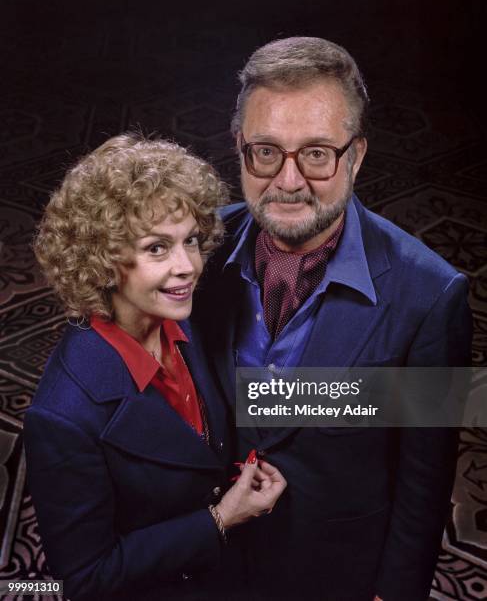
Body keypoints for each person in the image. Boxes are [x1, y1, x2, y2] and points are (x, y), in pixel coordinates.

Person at [191, 37, 472, 601]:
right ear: (239, 146)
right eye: (266, 151)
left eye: (317, 153)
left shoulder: (431, 294)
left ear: (357, 155)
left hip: (332, 570)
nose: (289, 181)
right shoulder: (194, 251)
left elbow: (425, 478)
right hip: (203, 557)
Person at [24, 133, 286, 601]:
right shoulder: (62, 415)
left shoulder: (189, 322)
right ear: (103, 260)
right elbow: (82, 579)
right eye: (157, 249)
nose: (187, 266)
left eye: (190, 241)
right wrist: (221, 519)